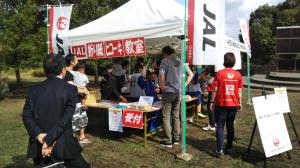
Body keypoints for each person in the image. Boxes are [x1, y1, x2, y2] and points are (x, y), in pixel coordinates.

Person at [22, 54, 90, 167]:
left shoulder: (33, 90)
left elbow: (26, 116)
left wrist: (39, 135)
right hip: (63, 144)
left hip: (40, 146)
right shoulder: (70, 89)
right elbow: (65, 119)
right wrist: (48, 140)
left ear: (45, 70)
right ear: (63, 70)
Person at [210, 52, 243, 157]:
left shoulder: (219, 73)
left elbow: (214, 90)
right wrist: (240, 103)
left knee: (220, 126)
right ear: (234, 62)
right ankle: (229, 148)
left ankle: (220, 150)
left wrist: (211, 101)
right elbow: (240, 92)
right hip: (233, 104)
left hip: (221, 104)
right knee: (230, 126)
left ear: (224, 61)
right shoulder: (238, 75)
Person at [64, 54, 91, 144]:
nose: (78, 61)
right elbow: (73, 88)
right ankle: (70, 140)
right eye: (76, 60)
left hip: (79, 101)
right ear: (72, 62)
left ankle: (82, 137)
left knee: (83, 118)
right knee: (73, 121)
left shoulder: (74, 73)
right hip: (71, 102)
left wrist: (84, 90)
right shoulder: (66, 73)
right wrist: (84, 91)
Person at [159, 46, 181, 147]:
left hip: (169, 91)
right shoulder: (179, 60)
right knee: (176, 115)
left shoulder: (165, 60)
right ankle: (176, 138)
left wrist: (162, 86)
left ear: (165, 53)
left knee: (166, 116)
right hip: (178, 91)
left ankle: (168, 140)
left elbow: (161, 74)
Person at [202, 66, 216, 131]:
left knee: (210, 108)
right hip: (213, 92)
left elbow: (210, 81)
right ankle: (214, 123)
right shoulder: (212, 73)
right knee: (212, 108)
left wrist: (203, 76)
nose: (207, 66)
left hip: (213, 92)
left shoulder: (214, 74)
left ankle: (212, 125)